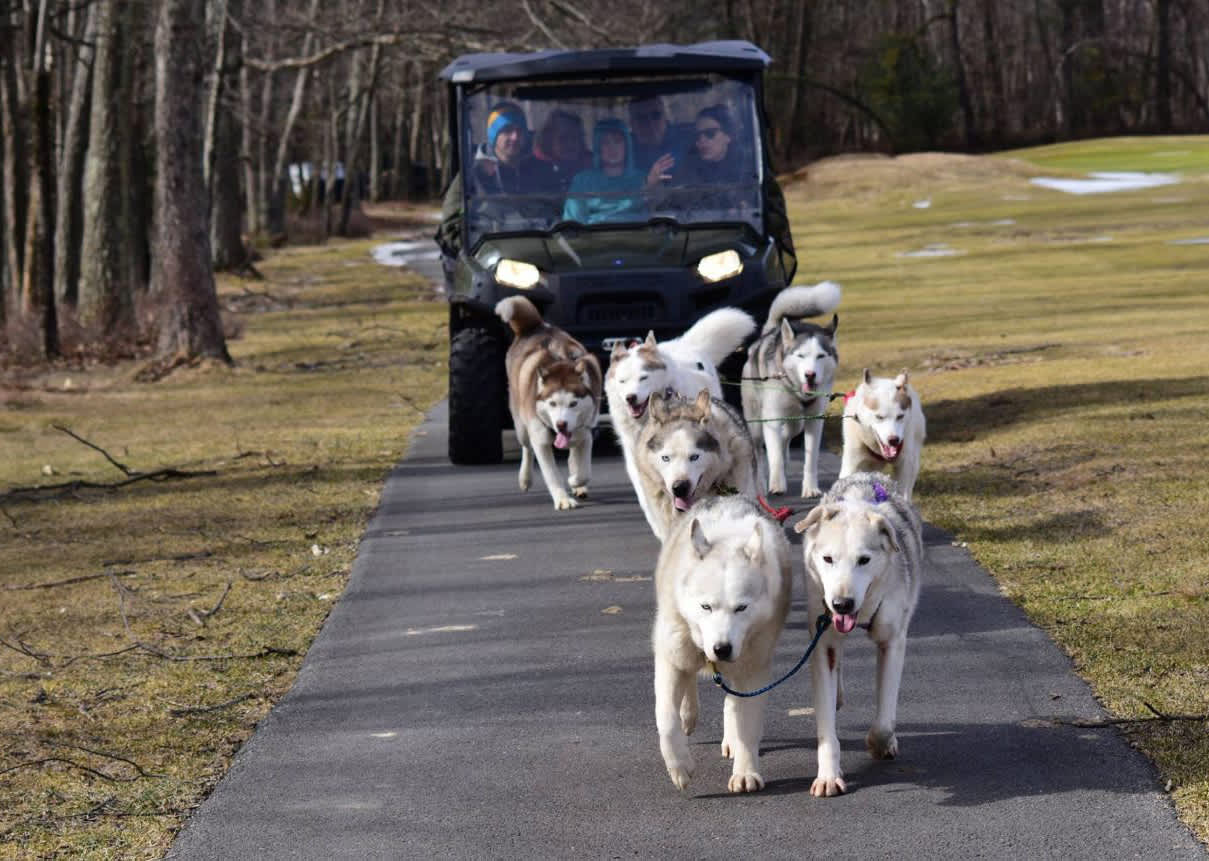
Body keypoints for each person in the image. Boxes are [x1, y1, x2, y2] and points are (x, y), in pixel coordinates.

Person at [563, 118, 666, 225]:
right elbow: (572, 224)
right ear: (598, 147)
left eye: (618, 141)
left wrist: (652, 186)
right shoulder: (582, 181)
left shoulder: (644, 179)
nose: (612, 147)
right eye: (605, 142)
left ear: (627, 144)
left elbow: (659, 212)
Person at [667, 104, 753, 212]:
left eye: (710, 133)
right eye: (697, 135)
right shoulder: (687, 171)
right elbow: (670, 207)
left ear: (728, 135)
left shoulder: (749, 167)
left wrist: (747, 207)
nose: (702, 140)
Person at [471, 102, 559, 195]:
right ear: (493, 136)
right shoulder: (475, 175)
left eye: (520, 130)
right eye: (507, 130)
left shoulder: (541, 169)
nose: (515, 137)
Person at [627, 95, 691, 179]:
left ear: (665, 117)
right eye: (641, 118)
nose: (650, 123)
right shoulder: (624, 150)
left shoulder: (687, 142)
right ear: (632, 124)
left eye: (656, 115)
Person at [534, 109, 592, 192]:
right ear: (548, 140)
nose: (570, 144)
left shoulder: (593, 168)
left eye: (574, 138)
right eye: (563, 138)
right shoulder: (533, 170)